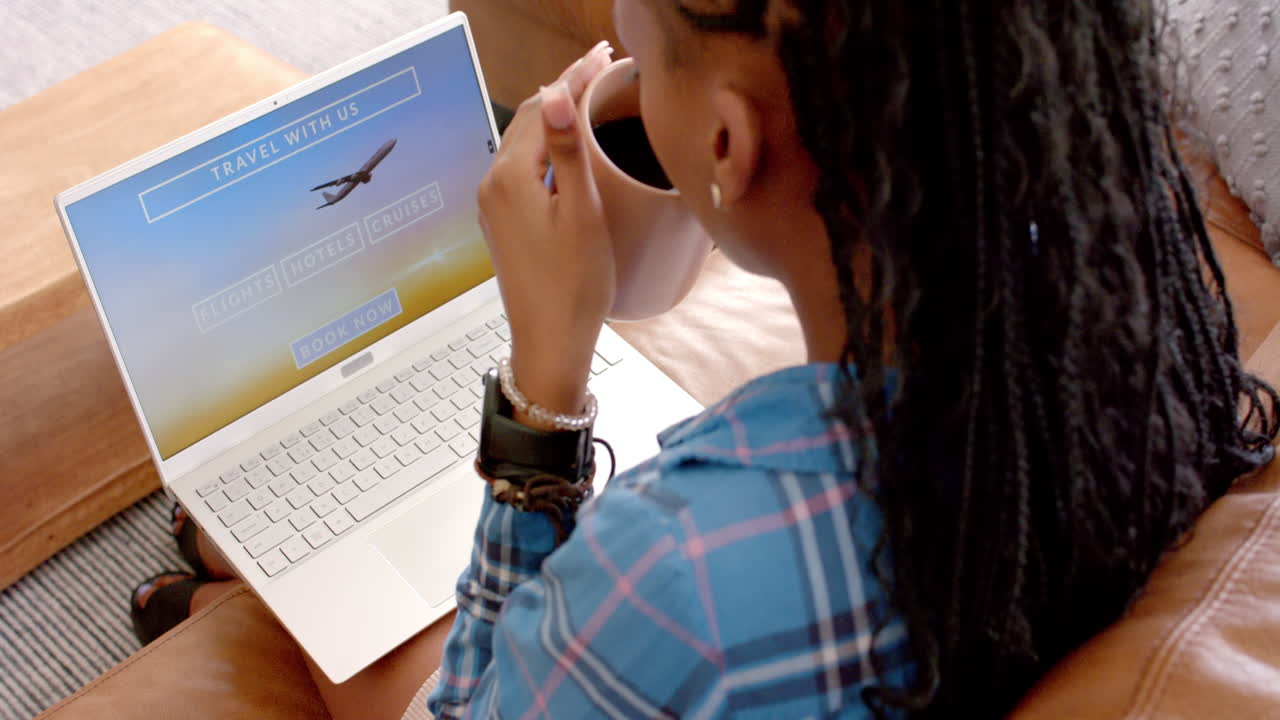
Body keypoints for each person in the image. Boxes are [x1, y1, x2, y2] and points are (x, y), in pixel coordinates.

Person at [132, 0, 1280, 717]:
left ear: (723, 144)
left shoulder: (674, 574)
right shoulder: (1146, 329)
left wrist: (545, 376)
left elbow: (472, 707)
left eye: (641, 52)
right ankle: (235, 574)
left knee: (393, 628)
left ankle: (239, 580)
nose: (624, 64)